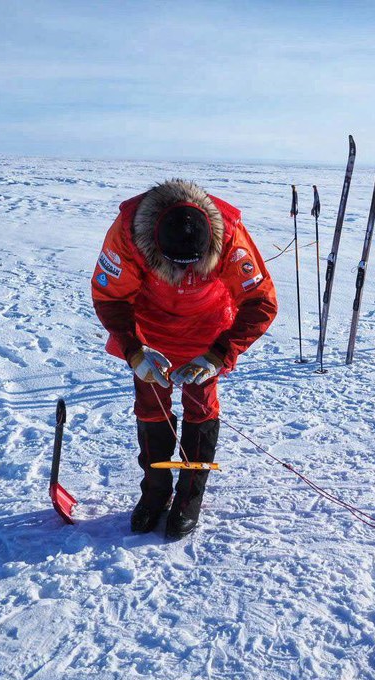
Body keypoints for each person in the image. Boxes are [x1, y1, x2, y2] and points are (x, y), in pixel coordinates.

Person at [91, 179, 277, 538]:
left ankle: (189, 497)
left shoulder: (231, 234)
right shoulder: (127, 233)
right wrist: (134, 350)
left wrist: (219, 354)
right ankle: (155, 494)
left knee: (201, 406)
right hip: (149, 331)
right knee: (150, 406)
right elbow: (110, 296)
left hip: (207, 331)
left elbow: (261, 302)